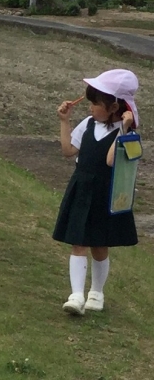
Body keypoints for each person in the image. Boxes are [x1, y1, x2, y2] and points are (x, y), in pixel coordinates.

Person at [54, 69, 140, 315]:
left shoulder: (128, 135)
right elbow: (69, 150)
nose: (91, 108)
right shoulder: (87, 124)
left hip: (105, 192)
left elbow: (112, 160)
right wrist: (64, 121)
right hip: (82, 187)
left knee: (99, 245)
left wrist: (123, 128)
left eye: (96, 103)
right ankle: (76, 295)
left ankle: (97, 292)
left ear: (114, 107)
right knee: (78, 242)